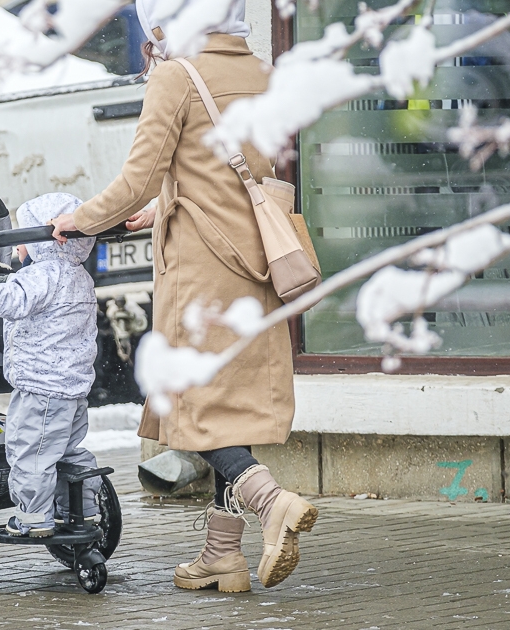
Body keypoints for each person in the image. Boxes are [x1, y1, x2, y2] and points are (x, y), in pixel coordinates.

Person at [48, 0, 317, 591]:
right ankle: (222, 555)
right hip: (256, 267)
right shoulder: (257, 72)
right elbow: (228, 176)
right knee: (230, 404)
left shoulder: (177, 74)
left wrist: (81, 220)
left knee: (192, 401)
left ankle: (270, 502)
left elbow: (135, 178)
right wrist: (164, 205)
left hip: (201, 272)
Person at [0, 192, 101, 537]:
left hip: (40, 388)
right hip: (71, 387)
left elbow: (13, 299)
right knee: (69, 451)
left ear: (43, 240)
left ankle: (33, 516)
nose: (16, 249)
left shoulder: (42, 274)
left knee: (30, 453)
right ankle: (83, 507)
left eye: (21, 238)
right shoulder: (78, 276)